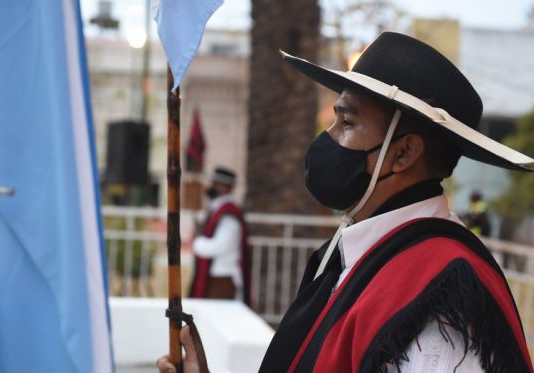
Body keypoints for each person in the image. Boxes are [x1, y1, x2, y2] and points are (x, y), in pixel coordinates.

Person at [158, 32, 533, 372]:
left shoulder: (439, 292)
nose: (328, 138)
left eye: (347, 124)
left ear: (402, 154)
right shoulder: (352, 254)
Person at [188, 167, 251, 305]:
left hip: (223, 278)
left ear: (224, 187)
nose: (211, 187)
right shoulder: (217, 209)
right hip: (217, 276)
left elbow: (221, 246)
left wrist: (197, 242)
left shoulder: (228, 216)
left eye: (215, 184)